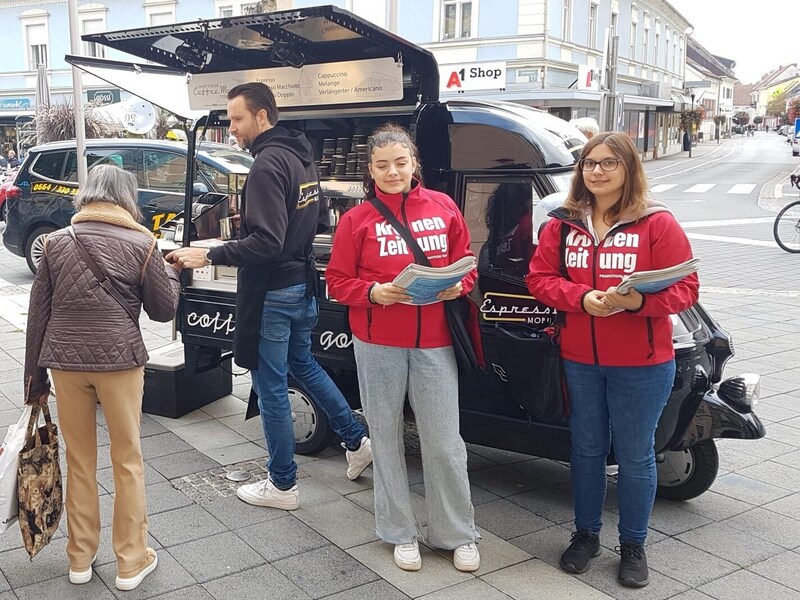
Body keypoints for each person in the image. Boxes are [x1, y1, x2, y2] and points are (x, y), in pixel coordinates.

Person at [167, 82, 372, 510]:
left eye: (238, 118)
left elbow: (265, 244)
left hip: (272, 292)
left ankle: (282, 485)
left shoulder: (264, 166)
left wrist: (206, 254)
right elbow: (313, 216)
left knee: (270, 386)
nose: (232, 127)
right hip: (302, 285)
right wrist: (261, 220)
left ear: (262, 117)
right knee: (305, 365)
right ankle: (356, 441)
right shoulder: (301, 157)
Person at [526, 132, 699, 588]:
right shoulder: (563, 224)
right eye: (589, 163)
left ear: (628, 170)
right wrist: (581, 298)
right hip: (580, 358)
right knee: (584, 450)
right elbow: (539, 279)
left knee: (636, 455)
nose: (597, 171)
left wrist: (636, 304)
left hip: (643, 363)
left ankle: (633, 545)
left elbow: (686, 288)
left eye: (608, 163)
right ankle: (585, 536)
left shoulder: (657, 223)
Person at [325, 124, 481, 573]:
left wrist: (458, 285)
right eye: (381, 165)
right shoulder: (357, 219)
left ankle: (456, 532)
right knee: (387, 437)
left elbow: (466, 263)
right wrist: (375, 293)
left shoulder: (444, 207)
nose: (392, 172)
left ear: (414, 163)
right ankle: (399, 532)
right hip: (377, 342)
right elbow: (337, 282)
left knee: (444, 440)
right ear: (370, 170)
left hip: (435, 340)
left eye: (400, 162)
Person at [24, 164, 182, 590]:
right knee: (127, 459)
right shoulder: (143, 242)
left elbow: (38, 315)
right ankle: (130, 562)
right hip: (119, 361)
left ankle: (79, 559)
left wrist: (34, 380)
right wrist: (169, 269)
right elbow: (164, 311)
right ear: (127, 197)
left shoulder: (55, 242)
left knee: (79, 460)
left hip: (65, 362)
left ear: (86, 195)